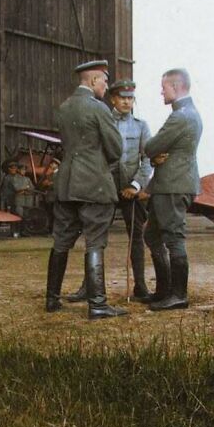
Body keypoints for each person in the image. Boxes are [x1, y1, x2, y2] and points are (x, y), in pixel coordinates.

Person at [45, 59, 126, 320]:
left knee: (61, 242)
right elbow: (116, 150)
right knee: (95, 242)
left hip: (66, 185)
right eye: (103, 81)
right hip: (94, 185)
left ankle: (52, 299)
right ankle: (98, 305)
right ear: (93, 81)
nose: (105, 86)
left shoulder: (65, 107)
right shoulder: (99, 109)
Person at [67, 78, 153, 302]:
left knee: (136, 237)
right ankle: (89, 287)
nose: (126, 102)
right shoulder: (102, 120)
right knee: (95, 237)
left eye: (130, 98)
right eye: (122, 98)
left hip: (131, 190)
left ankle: (141, 287)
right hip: (104, 187)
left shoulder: (141, 126)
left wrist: (135, 186)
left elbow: (147, 160)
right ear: (113, 99)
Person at [142, 68, 202, 311]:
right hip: (171, 184)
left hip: (173, 186)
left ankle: (178, 294)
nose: (161, 91)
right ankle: (165, 290)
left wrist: (154, 154)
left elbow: (151, 146)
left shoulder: (180, 116)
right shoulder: (188, 113)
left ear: (176, 88)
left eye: (164, 87)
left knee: (173, 237)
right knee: (152, 235)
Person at [11, 162, 34, 236]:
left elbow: (32, 188)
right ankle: (16, 232)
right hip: (19, 201)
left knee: (26, 216)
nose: (24, 171)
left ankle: (24, 232)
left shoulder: (27, 179)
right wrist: (25, 189)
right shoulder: (15, 178)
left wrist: (24, 190)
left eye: (24, 170)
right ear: (19, 170)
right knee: (18, 216)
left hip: (27, 200)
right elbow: (17, 188)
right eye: (22, 170)